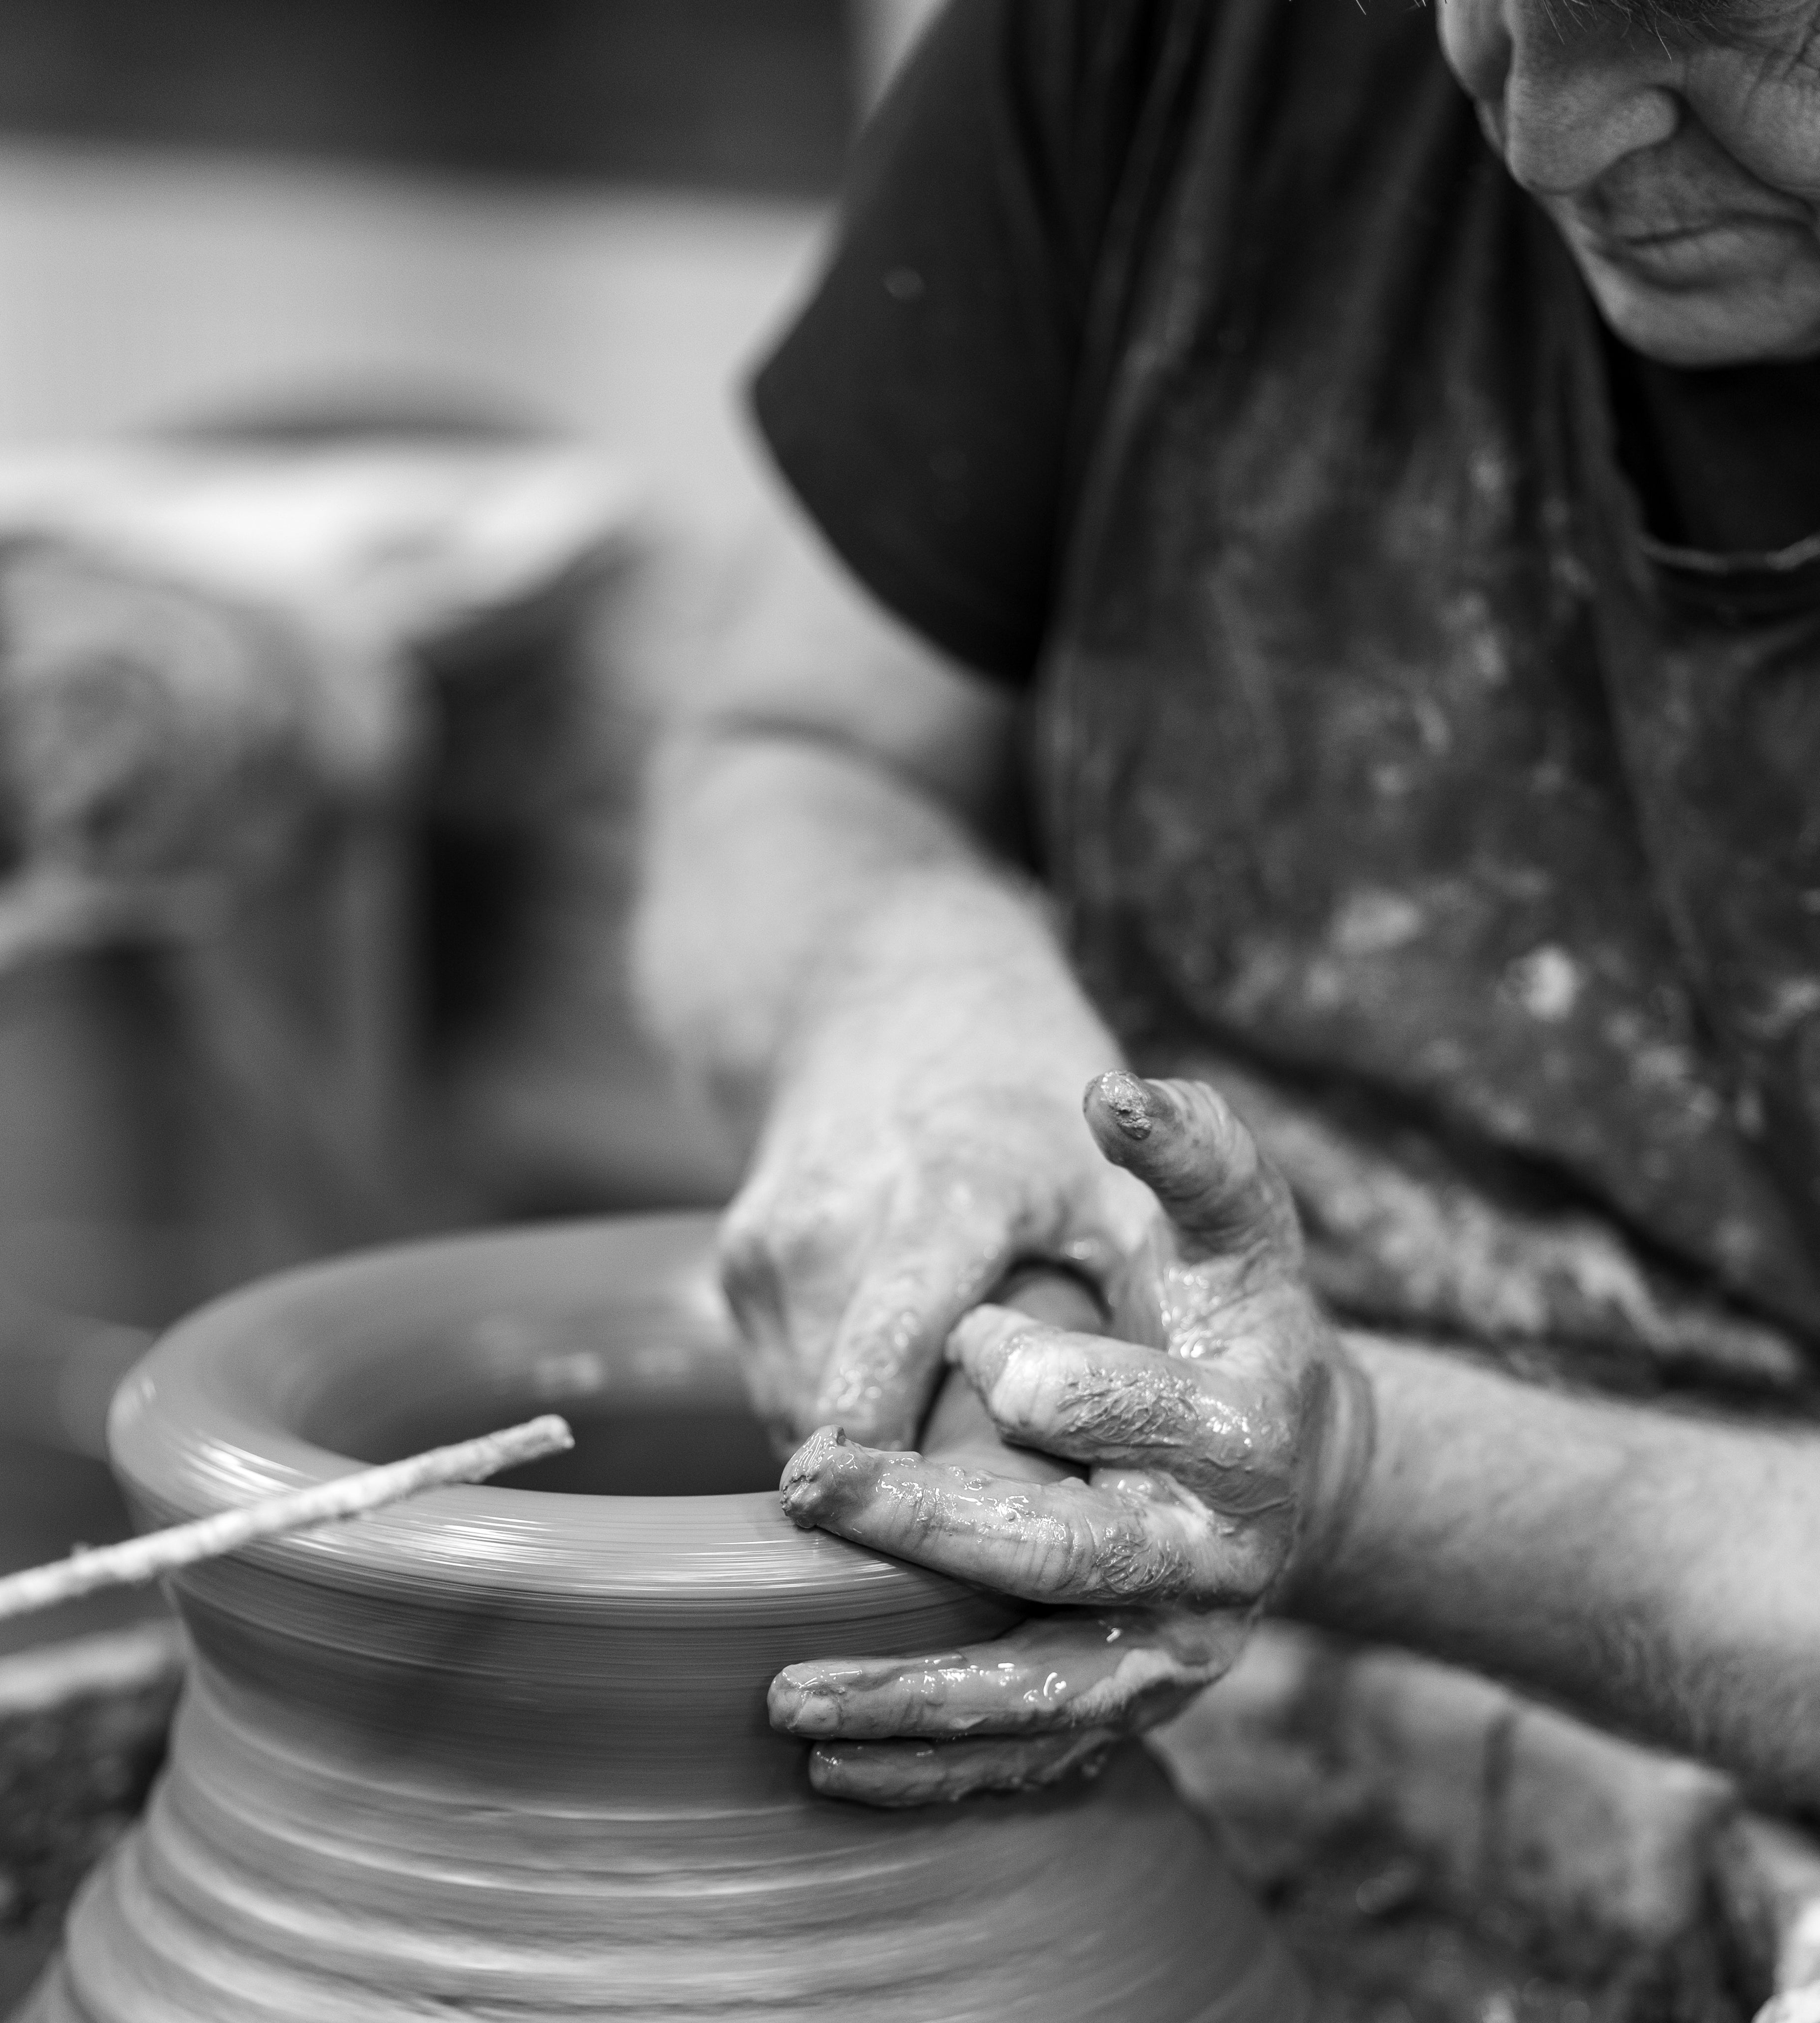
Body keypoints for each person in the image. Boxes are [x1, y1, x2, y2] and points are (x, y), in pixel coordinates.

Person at [635, 0, 1820, 1814]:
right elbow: (793, 751)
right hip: (1162, 1657)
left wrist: (1353, 1473)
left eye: (1715, 23)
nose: (1551, 137)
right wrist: (902, 978)